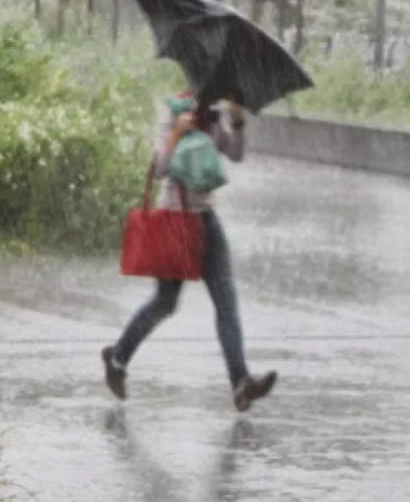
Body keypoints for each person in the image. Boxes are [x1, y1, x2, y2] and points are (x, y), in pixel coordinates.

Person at [101, 94, 278, 412]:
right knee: (165, 302)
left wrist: (236, 120)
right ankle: (117, 357)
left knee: (226, 302)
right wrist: (177, 133)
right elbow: (158, 168)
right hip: (176, 219)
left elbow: (235, 153)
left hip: (206, 219)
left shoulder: (214, 112)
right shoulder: (173, 108)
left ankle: (241, 383)